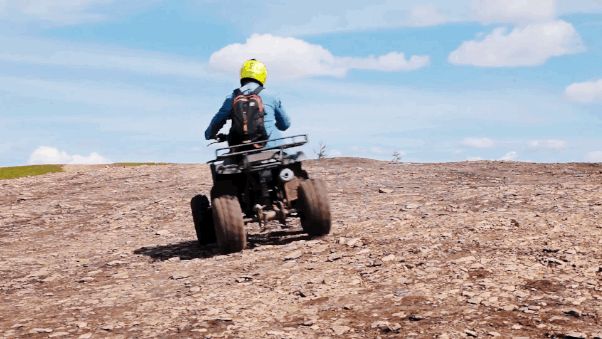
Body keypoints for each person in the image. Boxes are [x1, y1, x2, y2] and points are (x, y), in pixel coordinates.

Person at [204, 59, 291, 148]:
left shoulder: (232, 97)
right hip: (271, 147)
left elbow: (218, 120)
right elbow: (285, 124)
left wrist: (209, 134)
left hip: (241, 151)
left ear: (242, 74)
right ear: (263, 75)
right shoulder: (271, 96)